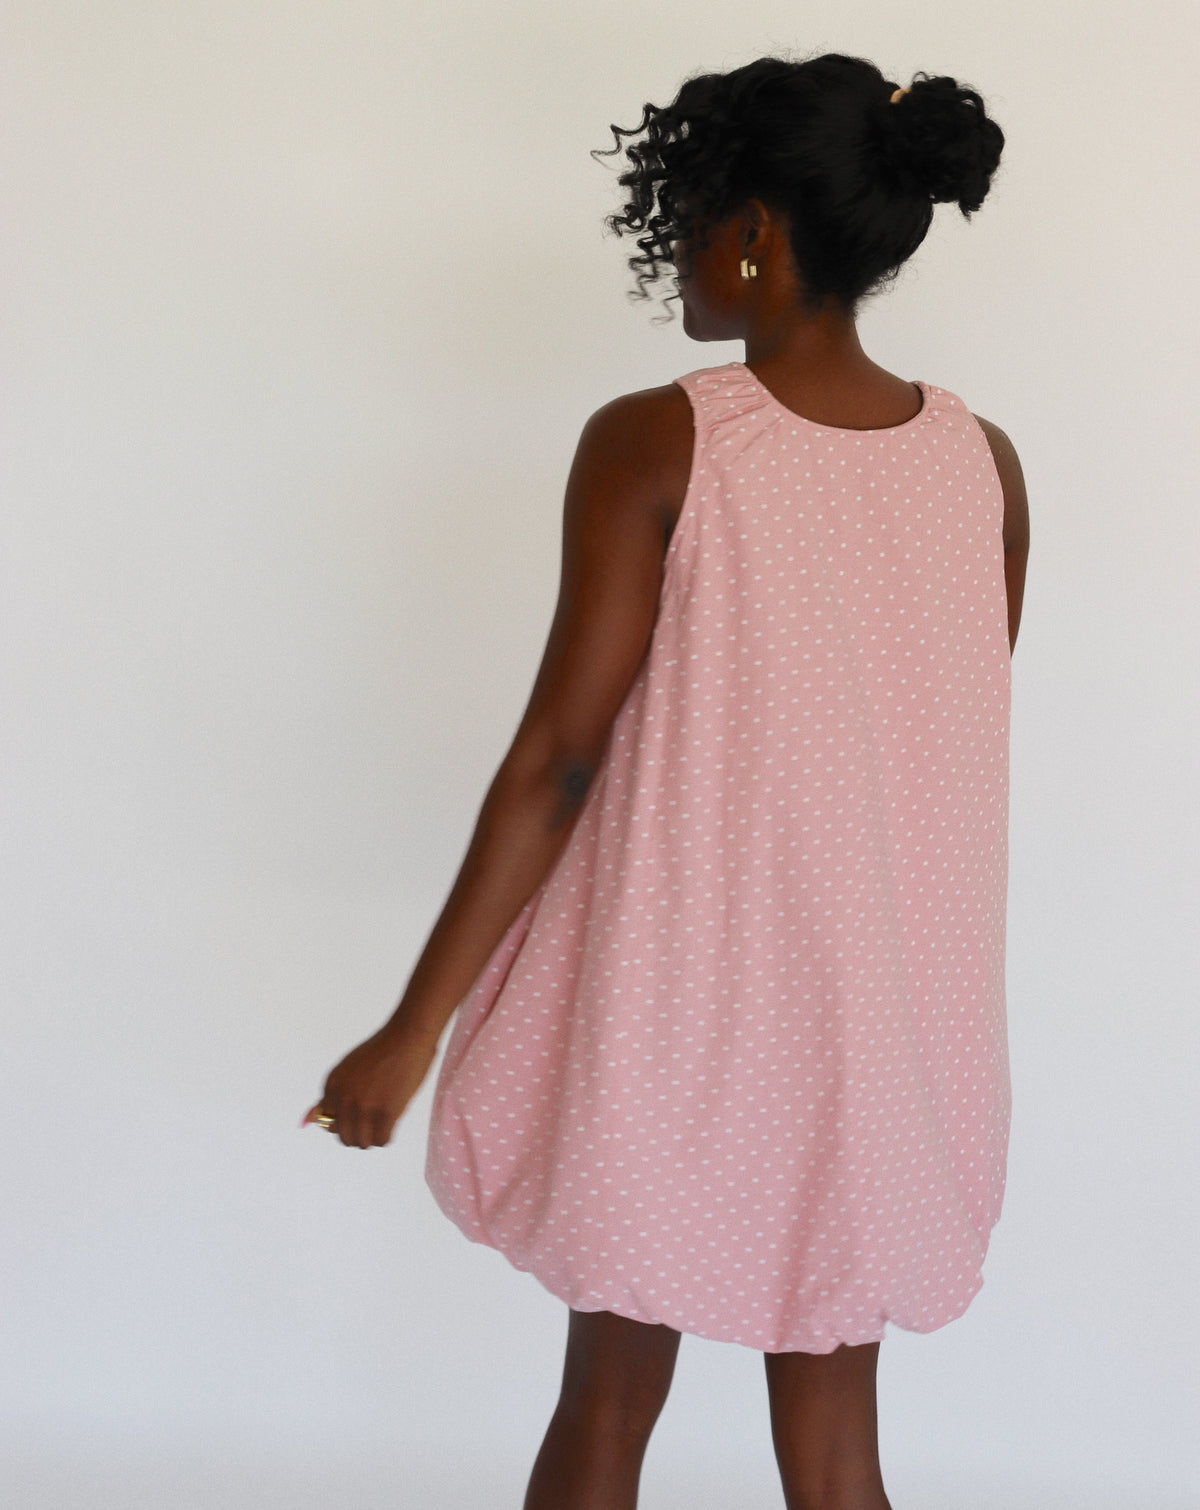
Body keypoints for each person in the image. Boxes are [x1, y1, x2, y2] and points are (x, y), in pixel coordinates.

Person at [302, 51, 1029, 1510]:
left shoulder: (665, 440)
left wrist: (413, 1023)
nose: (678, 254)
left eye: (689, 217)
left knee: (607, 1401)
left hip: (685, 1020)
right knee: (837, 1452)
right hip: (884, 1033)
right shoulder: (986, 464)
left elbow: (561, 757)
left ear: (754, 231)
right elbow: (939, 745)